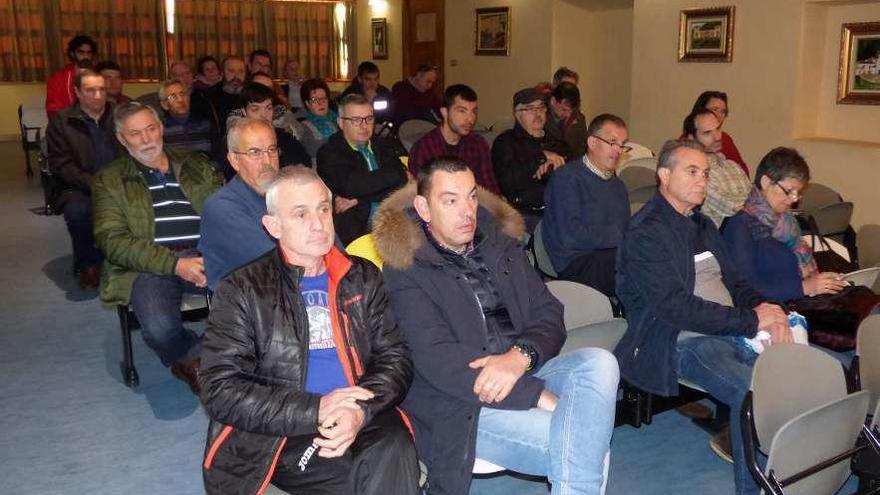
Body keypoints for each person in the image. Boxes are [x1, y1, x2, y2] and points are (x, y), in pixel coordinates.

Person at [372, 157, 620, 495]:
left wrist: (521, 356)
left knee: (599, 362)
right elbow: (437, 362)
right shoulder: (406, 269)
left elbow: (548, 310)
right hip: (465, 404)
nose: (467, 211)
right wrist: (536, 395)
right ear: (423, 208)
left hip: (525, 369)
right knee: (586, 441)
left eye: (472, 196)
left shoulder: (499, 246)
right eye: (450, 200)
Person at [200, 166, 419, 495]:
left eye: (323, 208)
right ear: (273, 226)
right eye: (300, 214)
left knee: (394, 448)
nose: (318, 224)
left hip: (362, 408)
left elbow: (394, 356)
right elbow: (220, 388)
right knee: (360, 477)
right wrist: (316, 409)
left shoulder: (362, 275)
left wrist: (358, 410)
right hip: (283, 429)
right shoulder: (243, 289)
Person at [614, 139, 793, 495]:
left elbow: (736, 283)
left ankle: (795, 471)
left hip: (730, 327)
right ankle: (752, 489)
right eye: (691, 171)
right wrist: (750, 320)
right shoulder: (646, 232)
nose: (702, 181)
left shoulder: (703, 225)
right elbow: (674, 307)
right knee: (752, 395)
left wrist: (771, 312)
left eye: (706, 173)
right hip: (679, 339)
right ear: (664, 175)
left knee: (806, 376)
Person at [92, 102, 222, 393]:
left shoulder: (196, 164)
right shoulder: (109, 180)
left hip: (207, 254)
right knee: (160, 327)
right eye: (136, 134)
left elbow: (224, 212)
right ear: (122, 140)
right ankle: (193, 358)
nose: (147, 139)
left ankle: (213, 360)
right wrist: (176, 265)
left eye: (151, 129)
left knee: (259, 302)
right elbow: (112, 241)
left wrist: (214, 255)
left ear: (161, 129)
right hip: (149, 266)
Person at [722, 147, 849, 301]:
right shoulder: (740, 226)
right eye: (789, 191)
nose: (794, 199)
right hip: (778, 313)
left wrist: (821, 284)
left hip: (800, 302)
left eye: (798, 193)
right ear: (766, 182)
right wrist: (805, 287)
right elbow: (743, 290)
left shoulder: (786, 221)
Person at [46, 69, 123, 289]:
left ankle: (128, 259)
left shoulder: (119, 115)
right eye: (90, 90)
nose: (98, 95)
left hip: (119, 182)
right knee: (78, 212)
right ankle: (89, 264)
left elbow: (131, 152)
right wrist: (95, 183)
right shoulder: (62, 121)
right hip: (78, 187)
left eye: (101, 90)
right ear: (78, 92)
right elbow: (61, 164)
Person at [542, 114, 630, 298]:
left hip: (610, 258)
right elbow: (570, 236)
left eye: (622, 145)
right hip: (577, 263)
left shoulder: (618, 186)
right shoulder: (567, 179)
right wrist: (619, 236)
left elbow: (624, 230)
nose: (618, 150)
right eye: (612, 142)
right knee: (642, 265)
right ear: (592, 142)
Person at [199, 118, 281, 289]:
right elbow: (275, 265)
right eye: (255, 152)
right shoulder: (220, 208)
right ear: (234, 160)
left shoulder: (292, 194)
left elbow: (331, 247)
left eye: (272, 150)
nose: (267, 161)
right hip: (253, 305)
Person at [316, 94, 407, 245]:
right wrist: (385, 181)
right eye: (356, 120)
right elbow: (351, 187)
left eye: (369, 119)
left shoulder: (382, 145)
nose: (364, 126)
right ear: (341, 123)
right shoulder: (330, 152)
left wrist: (360, 199)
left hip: (394, 215)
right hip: (359, 224)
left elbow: (401, 178)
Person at [492, 87, 570, 232]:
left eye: (541, 107)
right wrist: (540, 158)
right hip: (526, 213)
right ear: (517, 114)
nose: (538, 113)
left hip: (561, 210)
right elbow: (509, 185)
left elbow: (572, 179)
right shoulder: (505, 142)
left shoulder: (558, 144)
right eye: (530, 108)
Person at [408, 84, 500, 194]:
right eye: (462, 111)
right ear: (444, 112)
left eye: (474, 111)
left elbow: (490, 189)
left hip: (476, 207)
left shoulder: (478, 144)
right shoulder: (424, 148)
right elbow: (423, 195)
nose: (470, 118)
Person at [683, 108, 751, 228]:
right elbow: (734, 209)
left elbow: (755, 200)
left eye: (718, 129)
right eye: (707, 133)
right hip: (721, 241)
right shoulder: (695, 174)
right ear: (691, 139)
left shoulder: (733, 166)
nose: (717, 137)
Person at [228, 83, 310, 172]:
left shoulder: (284, 136)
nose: (263, 115)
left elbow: (305, 164)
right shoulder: (235, 140)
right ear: (244, 112)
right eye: (255, 109)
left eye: (268, 108)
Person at [157, 79, 222, 168]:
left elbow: (218, 156)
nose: (180, 100)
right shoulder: (161, 130)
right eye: (173, 97)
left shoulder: (205, 124)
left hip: (206, 174)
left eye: (182, 94)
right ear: (164, 104)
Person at [691, 91, 748, 175]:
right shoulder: (688, 138)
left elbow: (743, 170)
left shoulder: (725, 138)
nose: (719, 115)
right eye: (715, 109)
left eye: (723, 111)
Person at [46, 35, 97, 118]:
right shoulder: (58, 79)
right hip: (66, 125)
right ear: (72, 54)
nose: (85, 56)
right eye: (81, 52)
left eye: (89, 53)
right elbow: (53, 112)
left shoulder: (99, 76)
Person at [294, 78, 340, 158]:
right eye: (315, 100)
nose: (320, 103)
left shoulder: (337, 118)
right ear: (307, 103)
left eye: (323, 98)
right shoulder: (302, 125)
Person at [202, 57, 246, 135]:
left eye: (241, 71)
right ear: (222, 73)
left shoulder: (251, 95)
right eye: (231, 71)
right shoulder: (209, 97)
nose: (236, 76)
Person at [547, 82, 587, 158]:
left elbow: (582, 151)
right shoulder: (539, 117)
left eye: (571, 110)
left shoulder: (579, 120)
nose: (568, 115)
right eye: (564, 109)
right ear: (553, 101)